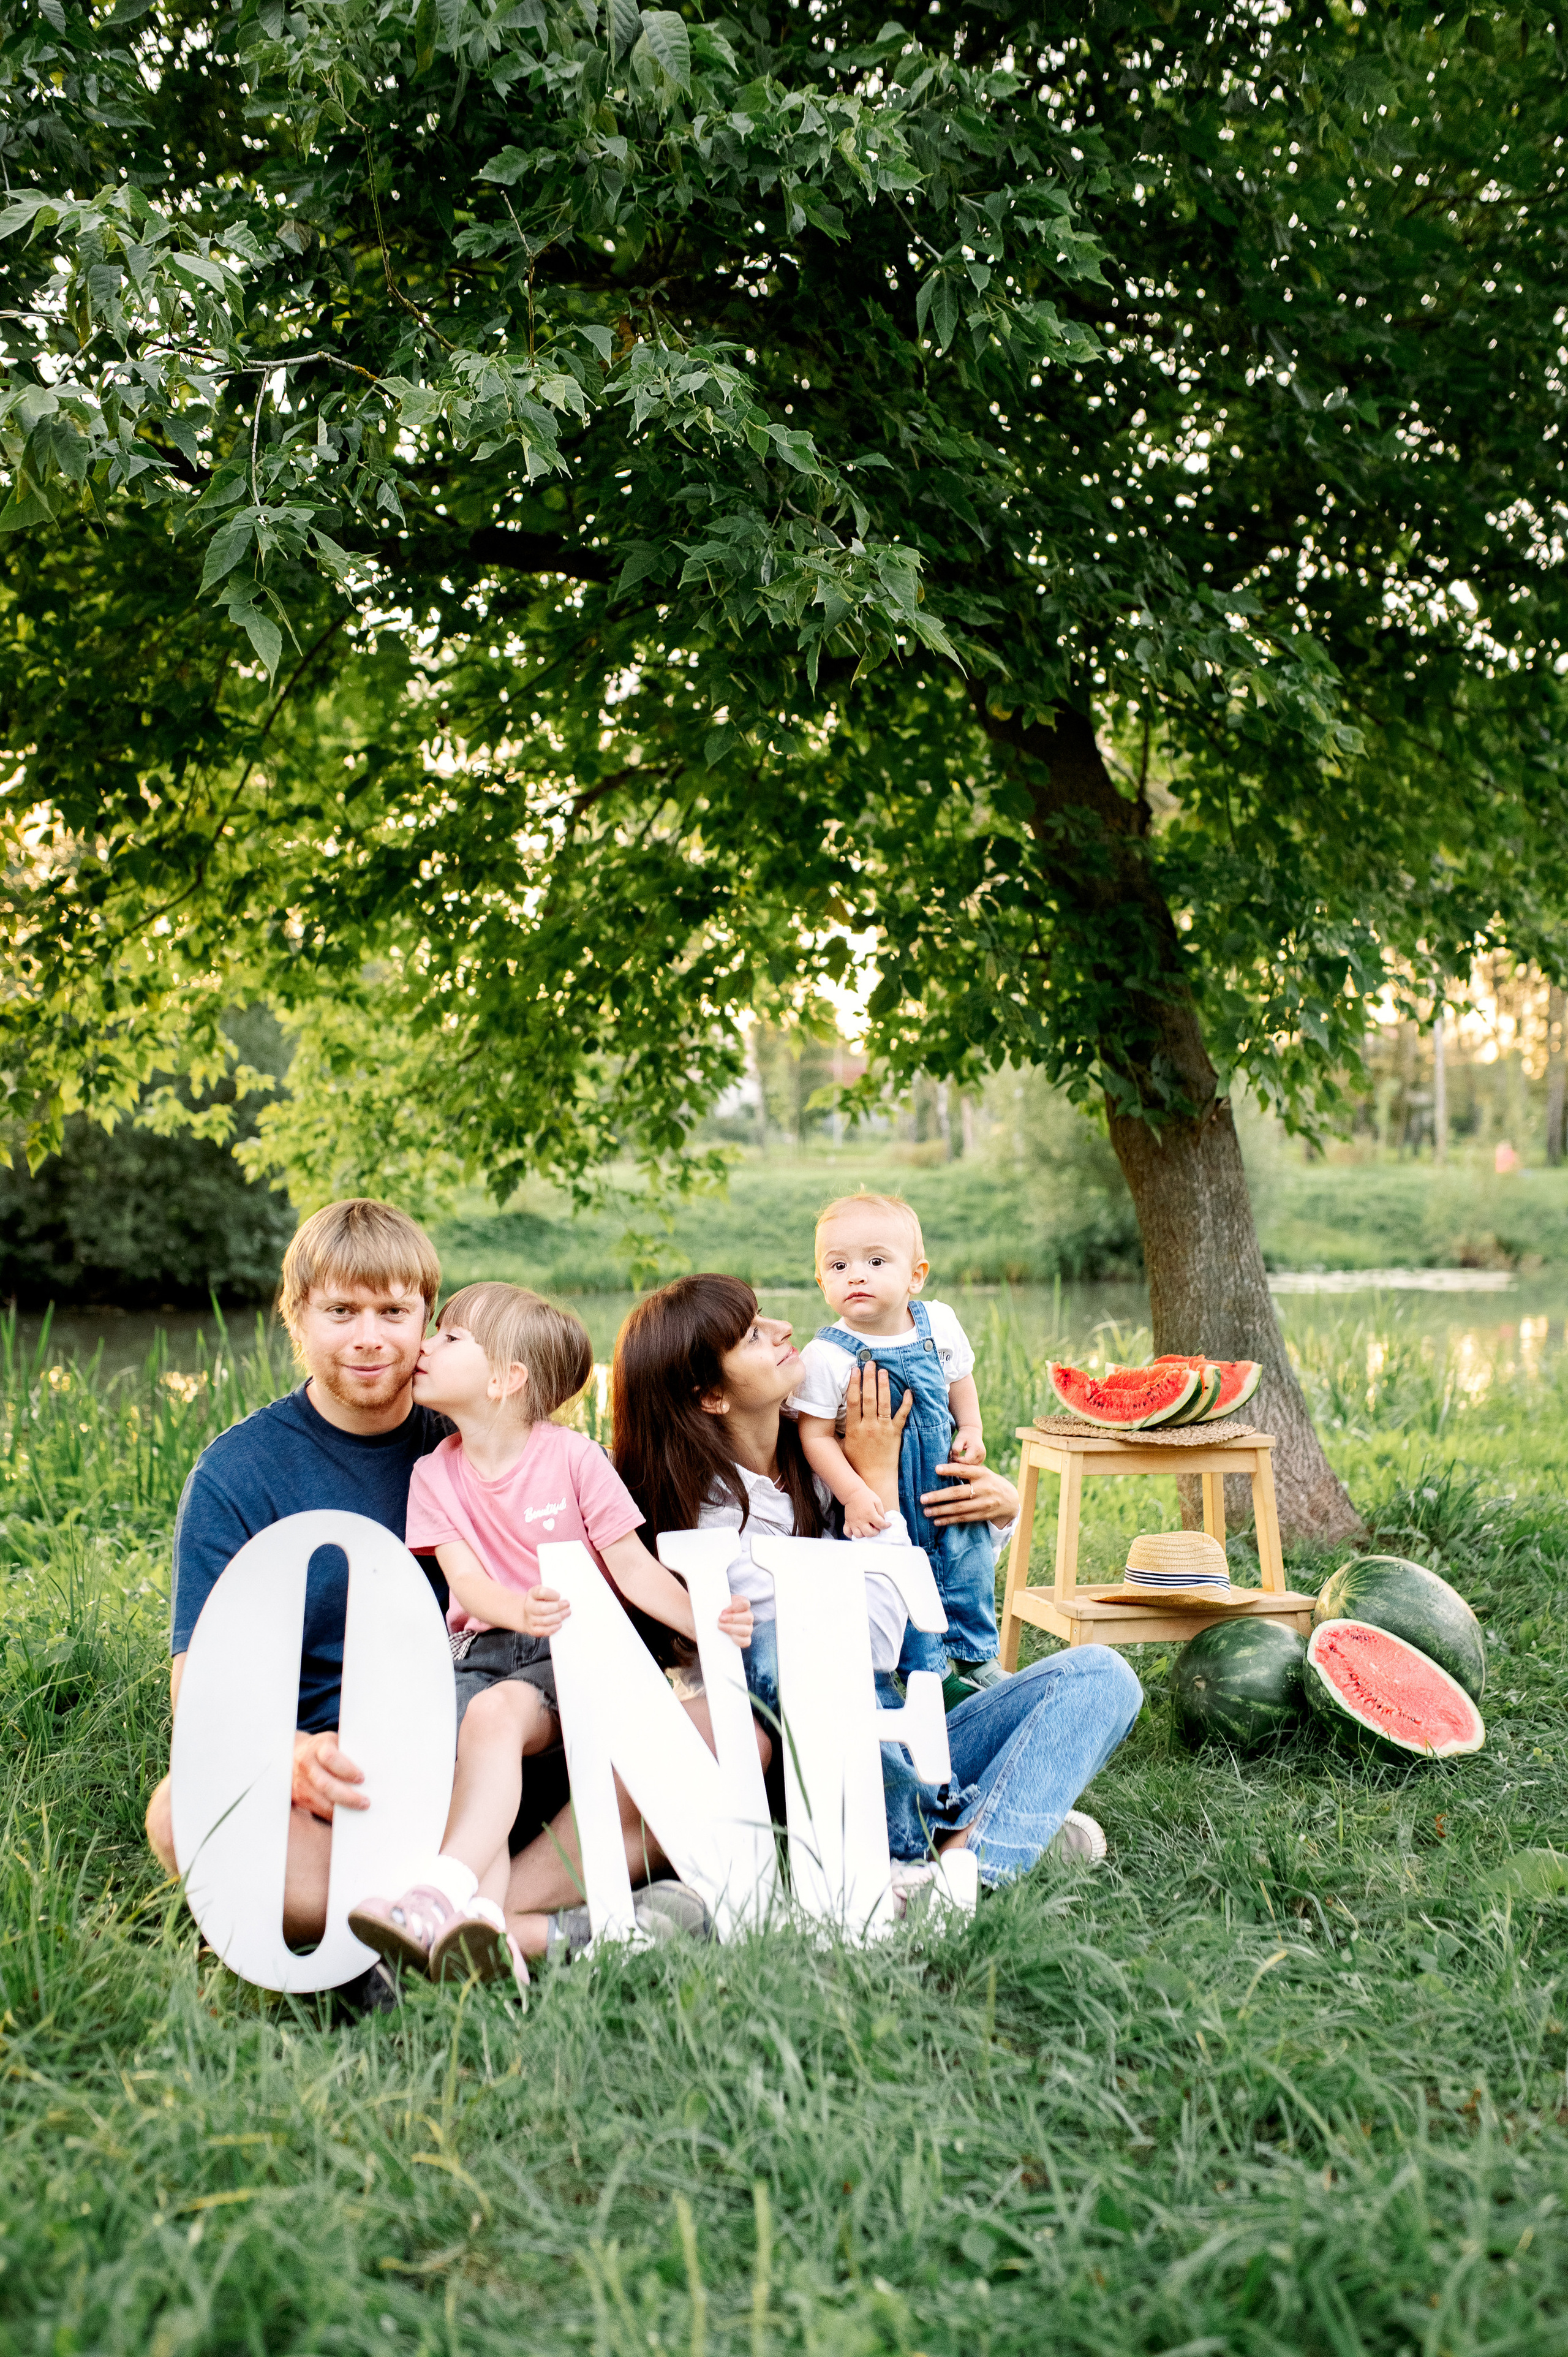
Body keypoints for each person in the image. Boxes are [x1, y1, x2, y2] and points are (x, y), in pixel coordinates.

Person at [612, 1274, 1144, 1890]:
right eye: (753, 1335)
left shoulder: (818, 1455)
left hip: (899, 1728)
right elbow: (863, 1646)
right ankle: (983, 1851)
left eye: (765, 1316)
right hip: (824, 1766)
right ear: (710, 1396)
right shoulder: (716, 1526)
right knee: (855, 1680)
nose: (784, 1329)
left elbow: (930, 1598)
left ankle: (962, 1849)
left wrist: (993, 1514)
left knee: (1100, 1675)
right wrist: (878, 1485)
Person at [347, 1283, 752, 1986]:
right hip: (481, 1646)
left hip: (567, 1649)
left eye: (450, 1338)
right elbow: (464, 1585)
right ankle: (483, 1931)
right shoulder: (434, 1473)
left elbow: (631, 1568)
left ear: (505, 1379)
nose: (425, 1346)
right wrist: (511, 1607)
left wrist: (705, 1620)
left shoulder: (573, 1459)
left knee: (495, 1714)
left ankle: (435, 1895)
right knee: (470, 1761)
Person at [143, 1198, 451, 2009]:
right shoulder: (240, 1470)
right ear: (297, 1317)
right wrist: (284, 1753)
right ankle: (436, 1920)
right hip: (326, 1781)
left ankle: (445, 1911)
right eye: (342, 1310)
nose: (370, 1336)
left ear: (428, 1318)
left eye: (394, 1310)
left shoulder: (467, 1441)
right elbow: (198, 1687)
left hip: (462, 1761)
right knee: (180, 1813)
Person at [788, 1193, 1005, 1698]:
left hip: (944, 1480)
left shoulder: (939, 1323)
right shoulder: (826, 1356)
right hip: (880, 1497)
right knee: (901, 1578)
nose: (856, 1275)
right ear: (822, 1282)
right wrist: (852, 1494)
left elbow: (960, 1380)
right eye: (838, 1266)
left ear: (916, 1276)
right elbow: (814, 1435)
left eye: (876, 1261)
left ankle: (978, 1656)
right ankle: (930, 1675)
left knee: (968, 1566)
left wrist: (970, 1428)